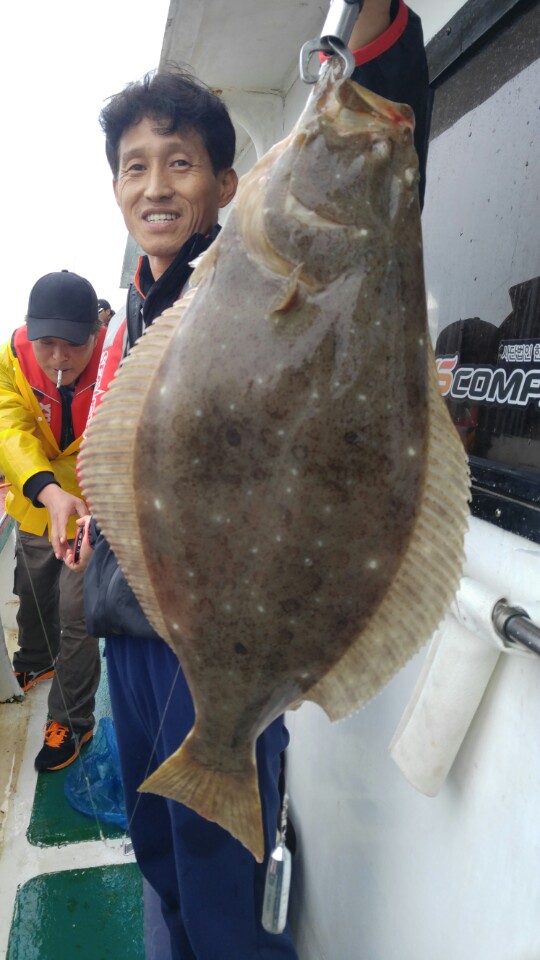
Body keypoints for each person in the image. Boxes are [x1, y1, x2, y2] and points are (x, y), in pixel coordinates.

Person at [67, 2, 431, 956]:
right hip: (135, 627)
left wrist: (375, 39)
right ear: (115, 186)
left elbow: (389, 103)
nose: (156, 186)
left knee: (221, 882)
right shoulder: (138, 304)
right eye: (135, 167)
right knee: (161, 856)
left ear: (228, 185)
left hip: (208, 643)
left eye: (181, 164)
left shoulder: (238, 271)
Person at [0, 270, 105, 771]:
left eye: (74, 345)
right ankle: (35, 660)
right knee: (31, 584)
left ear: (96, 334)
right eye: (47, 344)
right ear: (29, 331)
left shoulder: (121, 360)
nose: (59, 358)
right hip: (36, 499)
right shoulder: (12, 359)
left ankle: (73, 719)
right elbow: (8, 428)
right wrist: (46, 490)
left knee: (78, 613)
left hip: (91, 507)